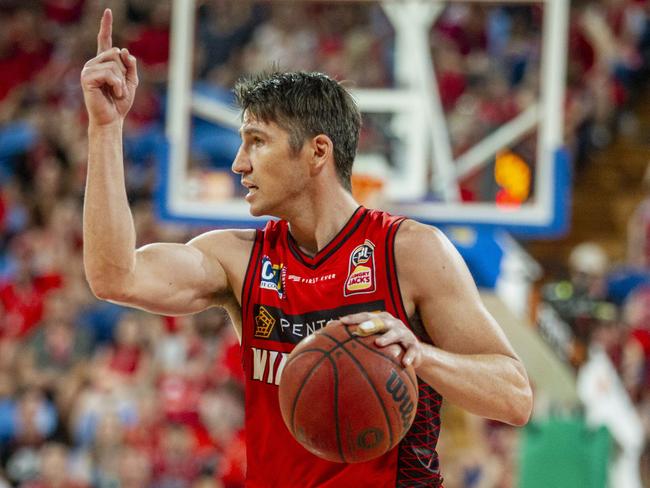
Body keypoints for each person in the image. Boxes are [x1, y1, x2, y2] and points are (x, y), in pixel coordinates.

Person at [80, 9, 532, 488]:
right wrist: (105, 130)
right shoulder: (237, 258)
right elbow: (115, 277)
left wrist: (420, 355)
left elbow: (516, 396)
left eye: (257, 143)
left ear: (318, 151)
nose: (238, 163)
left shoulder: (409, 251)